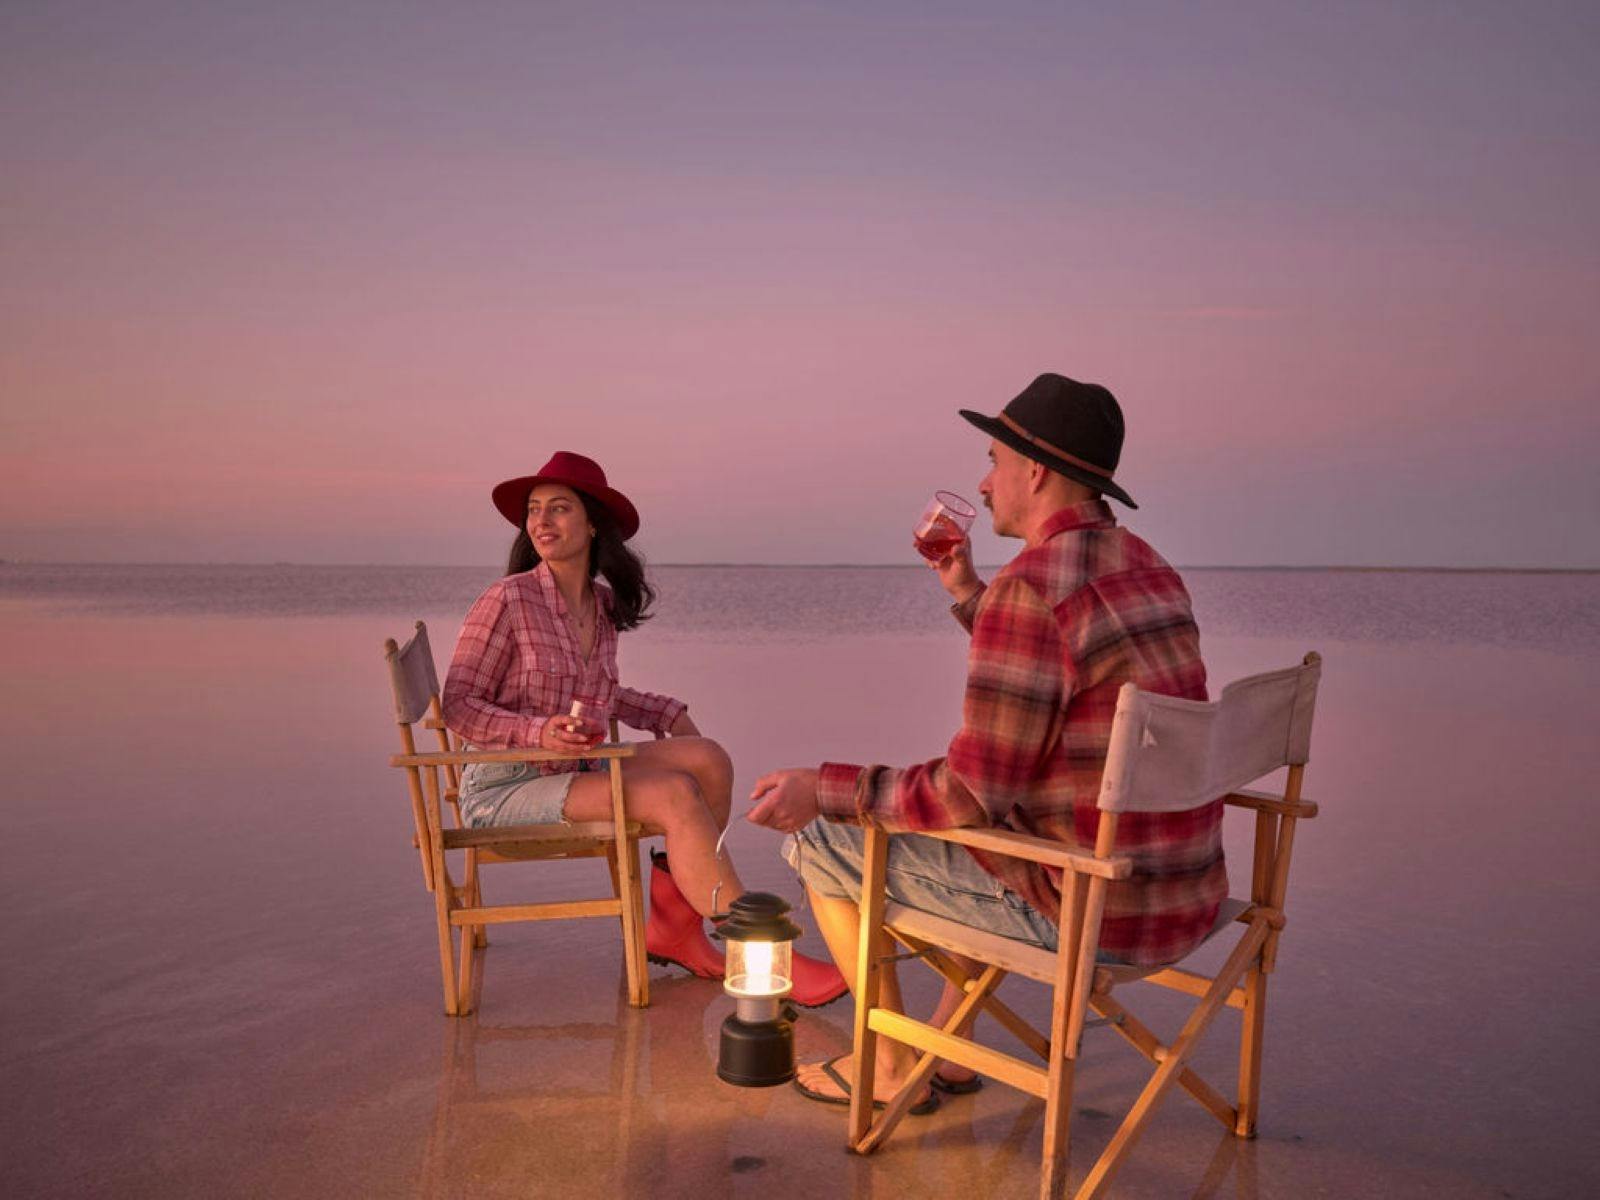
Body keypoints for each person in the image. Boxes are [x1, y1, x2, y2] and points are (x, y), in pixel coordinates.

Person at [747, 374, 1219, 1113]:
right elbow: (1070, 670)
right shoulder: (1149, 564)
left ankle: (892, 1064)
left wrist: (822, 787)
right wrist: (972, 596)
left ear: (1035, 471)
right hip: (1184, 892)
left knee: (825, 842)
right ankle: (949, 1053)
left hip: (1097, 911)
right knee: (985, 826)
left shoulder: (1031, 589)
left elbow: (965, 794)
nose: (983, 479)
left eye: (994, 459)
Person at [442, 450, 846, 1008]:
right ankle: (753, 944)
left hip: (573, 765)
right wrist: (538, 732)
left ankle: (675, 927)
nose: (541, 522)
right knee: (674, 794)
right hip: (503, 785)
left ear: (593, 524)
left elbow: (598, 694)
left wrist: (663, 713)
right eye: (534, 510)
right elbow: (457, 707)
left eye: (559, 509)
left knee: (707, 757)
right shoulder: (506, 599)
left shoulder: (601, 605)